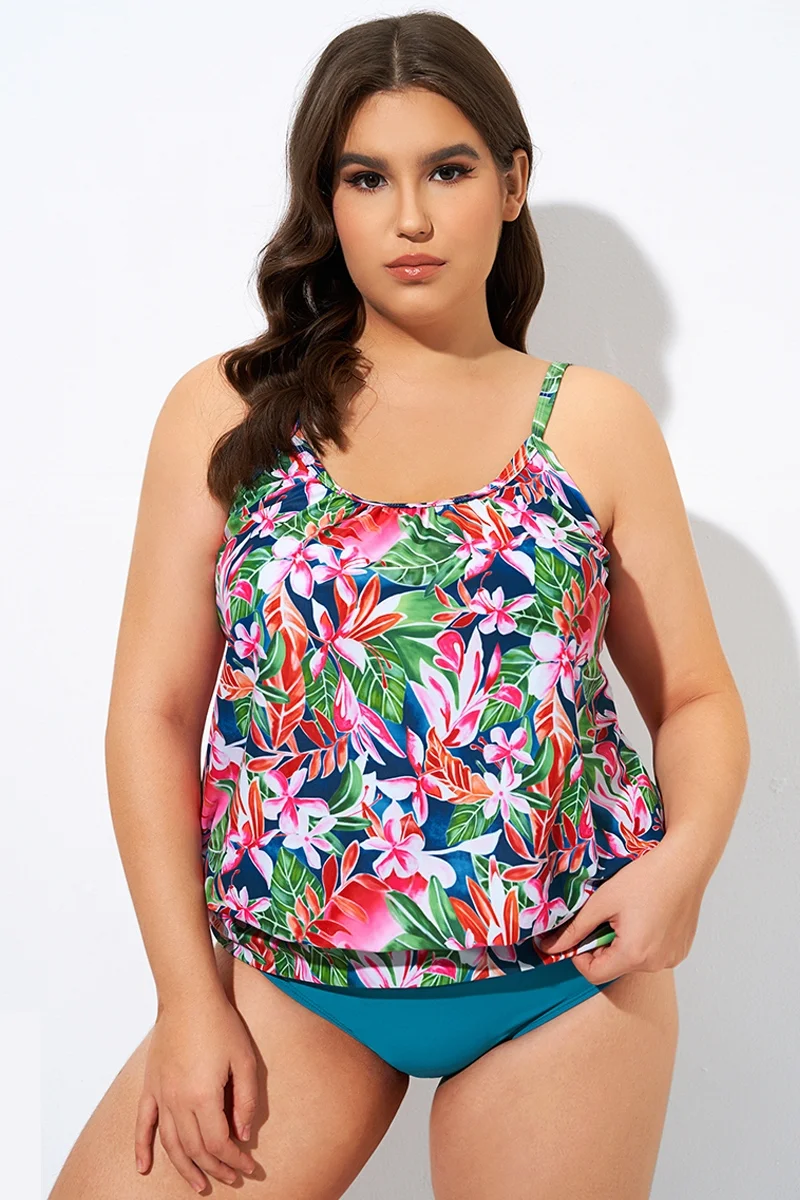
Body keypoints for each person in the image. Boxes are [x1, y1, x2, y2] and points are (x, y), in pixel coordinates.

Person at [49, 11, 750, 1200]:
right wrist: (185, 999)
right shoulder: (227, 412)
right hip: (291, 982)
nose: (410, 218)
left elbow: (692, 696)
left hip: (563, 981)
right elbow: (150, 716)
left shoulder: (593, 424)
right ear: (325, 201)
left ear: (512, 183)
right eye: (367, 178)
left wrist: (681, 868)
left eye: (449, 170)